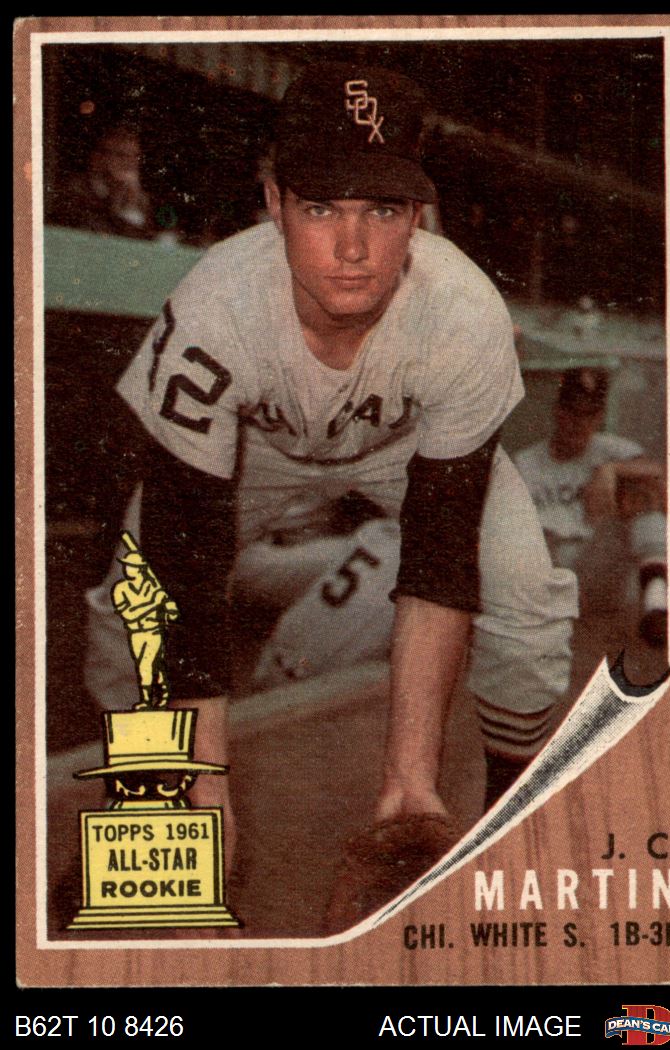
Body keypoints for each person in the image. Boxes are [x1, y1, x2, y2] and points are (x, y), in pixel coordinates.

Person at [88, 61, 578, 921]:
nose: (352, 245)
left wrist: (409, 783)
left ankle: (505, 825)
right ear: (274, 203)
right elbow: (184, 568)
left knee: (527, 599)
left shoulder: (461, 312)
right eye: (321, 207)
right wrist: (208, 783)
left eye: (380, 210)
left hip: (403, 447)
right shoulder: (215, 309)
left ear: (415, 218)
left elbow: (437, 559)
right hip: (258, 450)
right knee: (126, 610)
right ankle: (150, 812)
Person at [514, 368, 667, 647]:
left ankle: (657, 604)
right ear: (557, 411)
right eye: (572, 412)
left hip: (599, 565)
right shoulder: (526, 463)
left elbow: (663, 475)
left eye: (589, 414)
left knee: (642, 492)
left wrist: (612, 470)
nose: (579, 422)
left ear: (599, 417)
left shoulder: (612, 450)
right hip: (550, 575)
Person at [49, 125, 156, 240]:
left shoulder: (141, 199)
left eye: (135, 156)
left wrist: (131, 204)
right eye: (121, 155)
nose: (130, 163)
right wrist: (116, 201)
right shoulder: (76, 190)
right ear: (98, 158)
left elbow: (142, 242)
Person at [110, 548, 179, 710]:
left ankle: (147, 701)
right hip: (136, 634)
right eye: (127, 565)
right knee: (153, 667)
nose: (128, 569)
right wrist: (153, 605)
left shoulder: (153, 588)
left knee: (145, 666)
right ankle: (163, 694)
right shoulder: (121, 588)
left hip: (153, 632)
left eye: (132, 566)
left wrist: (169, 606)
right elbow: (129, 614)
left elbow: (172, 613)